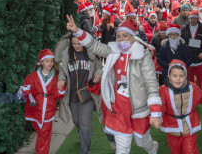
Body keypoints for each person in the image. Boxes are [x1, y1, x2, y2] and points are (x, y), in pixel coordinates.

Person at [65, 15, 161, 154]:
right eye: (119, 36)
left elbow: (151, 83)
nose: (121, 39)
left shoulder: (143, 56)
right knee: (122, 146)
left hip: (138, 107)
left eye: (125, 35)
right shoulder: (113, 51)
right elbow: (94, 45)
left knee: (141, 140)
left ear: (133, 38)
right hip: (118, 107)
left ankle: (153, 148)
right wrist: (78, 31)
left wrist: (155, 111)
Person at [159, 60, 202, 154]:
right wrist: (156, 116)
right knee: (175, 151)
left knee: (190, 151)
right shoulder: (163, 90)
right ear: (169, 76)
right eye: (174, 76)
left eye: (181, 76)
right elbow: (160, 106)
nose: (178, 79)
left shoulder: (193, 88)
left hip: (189, 125)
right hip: (172, 127)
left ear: (186, 76)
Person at [55, 34, 103, 154]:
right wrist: (61, 79)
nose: (77, 46)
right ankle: (82, 134)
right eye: (74, 43)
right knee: (77, 121)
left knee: (85, 123)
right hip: (73, 95)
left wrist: (98, 74)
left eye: (79, 43)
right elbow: (62, 71)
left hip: (87, 94)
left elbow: (99, 67)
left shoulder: (91, 52)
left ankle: (85, 150)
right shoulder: (66, 53)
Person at [17, 49, 66, 154]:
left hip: (49, 108)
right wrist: (24, 91)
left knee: (44, 132)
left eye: (51, 61)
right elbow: (26, 93)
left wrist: (60, 89)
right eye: (47, 61)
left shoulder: (56, 77)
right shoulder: (32, 77)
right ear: (41, 62)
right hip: (35, 109)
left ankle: (41, 152)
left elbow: (57, 95)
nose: (49, 63)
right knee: (42, 131)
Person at [180, 10, 202, 90]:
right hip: (189, 59)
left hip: (200, 59)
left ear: (198, 19)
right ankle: (191, 94)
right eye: (191, 18)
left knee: (200, 79)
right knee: (189, 79)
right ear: (189, 18)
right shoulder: (184, 28)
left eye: (195, 18)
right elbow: (180, 42)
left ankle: (199, 93)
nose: (193, 20)